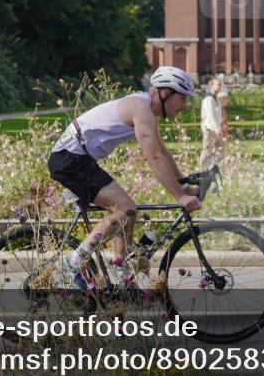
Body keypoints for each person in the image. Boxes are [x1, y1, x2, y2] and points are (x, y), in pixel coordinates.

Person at [48, 66, 200, 289]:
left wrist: (184, 186)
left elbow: (163, 152)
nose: (184, 105)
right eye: (183, 98)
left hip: (79, 159)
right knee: (125, 209)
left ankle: (123, 278)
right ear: (166, 93)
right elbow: (154, 158)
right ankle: (72, 263)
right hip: (70, 159)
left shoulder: (147, 112)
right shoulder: (140, 108)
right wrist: (180, 196)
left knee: (128, 213)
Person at [200, 78, 226, 171]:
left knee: (221, 149)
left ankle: (214, 166)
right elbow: (210, 115)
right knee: (207, 150)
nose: (220, 87)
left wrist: (221, 126)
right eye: (218, 85)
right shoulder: (208, 99)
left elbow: (218, 114)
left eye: (220, 85)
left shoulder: (216, 98)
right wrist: (216, 129)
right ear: (212, 86)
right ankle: (202, 168)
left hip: (217, 128)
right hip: (209, 129)